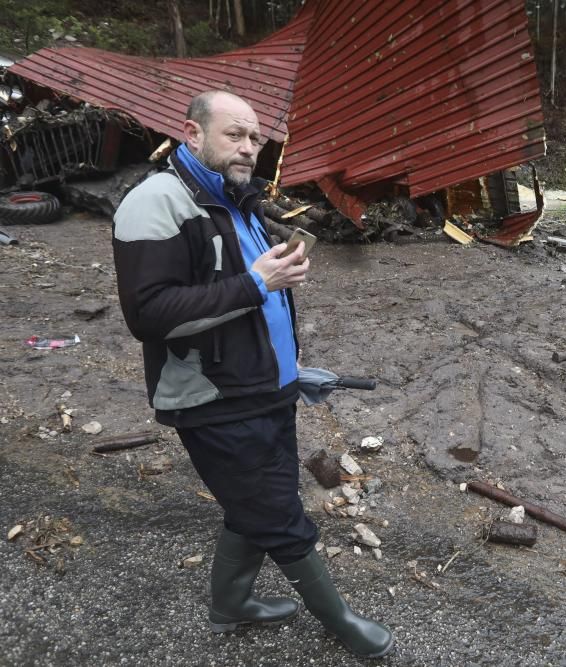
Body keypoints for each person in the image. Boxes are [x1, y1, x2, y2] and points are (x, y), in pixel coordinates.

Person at [111, 90, 394, 659]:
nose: (248, 148)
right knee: (277, 512)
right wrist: (257, 282)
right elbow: (150, 315)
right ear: (192, 134)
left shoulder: (237, 200)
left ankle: (230, 605)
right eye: (234, 135)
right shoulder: (157, 203)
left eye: (256, 139)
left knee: (255, 500)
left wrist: (292, 371)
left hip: (263, 388)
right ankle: (338, 620)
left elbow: (253, 309)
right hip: (215, 397)